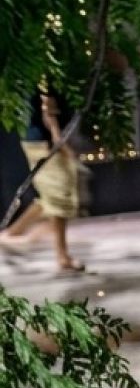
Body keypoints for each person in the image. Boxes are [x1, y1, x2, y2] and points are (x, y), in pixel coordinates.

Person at [2, 82, 88, 274]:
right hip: (44, 140)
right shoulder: (45, 64)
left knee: (51, 193)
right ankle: (62, 255)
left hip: (39, 137)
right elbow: (47, 108)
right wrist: (60, 141)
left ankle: (13, 233)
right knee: (59, 193)